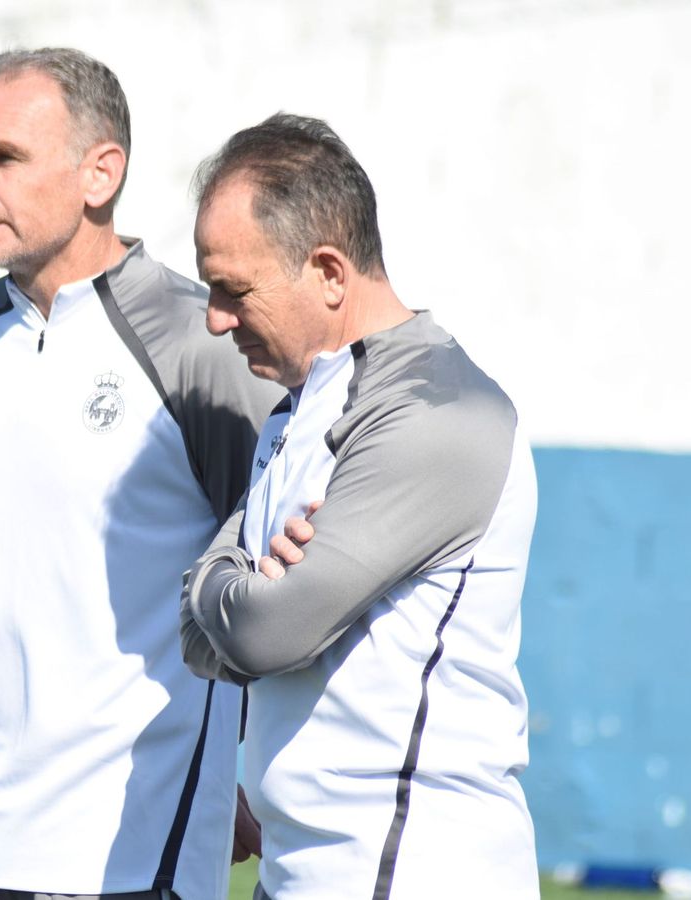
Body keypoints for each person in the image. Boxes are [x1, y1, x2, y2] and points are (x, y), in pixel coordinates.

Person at [0, 49, 281, 900]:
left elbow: (274, 586)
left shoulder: (202, 345)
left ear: (99, 173)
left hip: (129, 851)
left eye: (2, 157)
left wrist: (232, 769)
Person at [179, 113, 540, 899]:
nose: (215, 319)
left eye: (234, 290)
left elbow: (266, 631)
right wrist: (233, 591)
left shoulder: (436, 411)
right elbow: (206, 631)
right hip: (304, 870)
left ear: (331, 273)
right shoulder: (297, 408)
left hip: (409, 872)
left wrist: (233, 596)